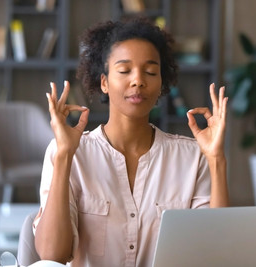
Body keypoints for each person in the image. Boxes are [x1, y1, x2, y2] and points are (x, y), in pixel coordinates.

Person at [33, 17, 229, 267]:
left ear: (161, 84)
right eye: (124, 70)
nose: (138, 80)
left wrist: (216, 159)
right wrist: (63, 155)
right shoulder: (70, 153)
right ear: (104, 82)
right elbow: (52, 256)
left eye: (150, 72)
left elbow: (216, 253)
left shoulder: (193, 157)